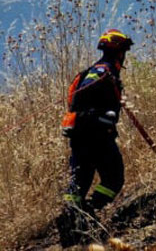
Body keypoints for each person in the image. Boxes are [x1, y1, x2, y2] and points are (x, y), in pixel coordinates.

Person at [56, 29, 134, 247]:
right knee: (113, 178)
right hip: (94, 135)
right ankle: (86, 212)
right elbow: (82, 94)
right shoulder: (102, 70)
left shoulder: (106, 71)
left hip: (84, 134)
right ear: (120, 51)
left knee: (79, 181)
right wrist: (100, 117)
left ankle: (75, 221)